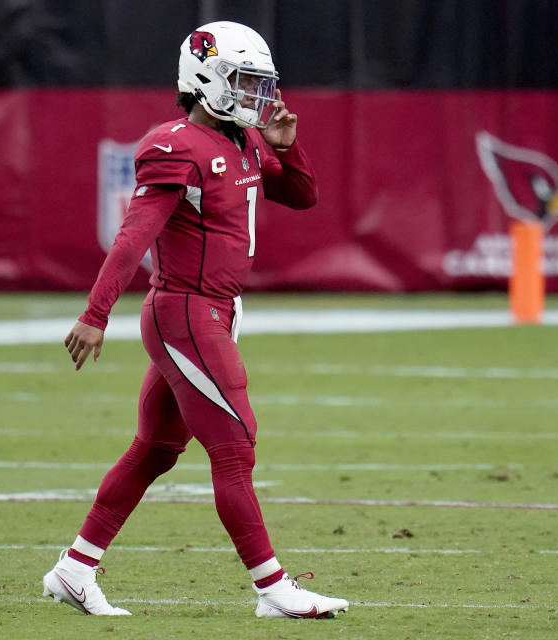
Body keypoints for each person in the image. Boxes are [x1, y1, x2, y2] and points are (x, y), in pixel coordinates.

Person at [43, 21, 349, 619]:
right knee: (234, 449)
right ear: (204, 77)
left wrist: (287, 145)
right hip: (186, 312)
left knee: (155, 449)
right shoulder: (175, 145)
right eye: (243, 81)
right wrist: (95, 312)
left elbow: (304, 196)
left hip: (215, 312)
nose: (256, 96)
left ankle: (74, 570)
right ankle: (273, 589)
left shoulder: (244, 139)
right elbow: (134, 237)